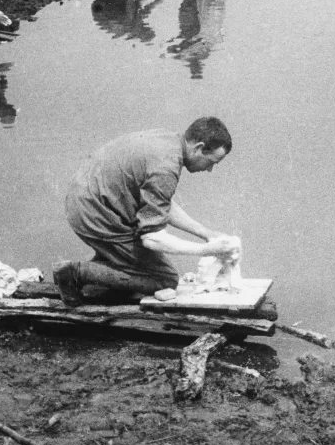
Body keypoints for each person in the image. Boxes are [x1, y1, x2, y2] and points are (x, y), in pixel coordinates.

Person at [54, 117, 240, 306]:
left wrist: (206, 233)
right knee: (165, 279)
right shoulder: (166, 167)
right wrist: (207, 250)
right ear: (199, 147)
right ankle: (75, 273)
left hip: (87, 200)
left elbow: (159, 202)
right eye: (211, 162)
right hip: (94, 211)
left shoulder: (169, 142)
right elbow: (152, 239)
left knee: (134, 268)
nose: (209, 169)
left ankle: (93, 279)